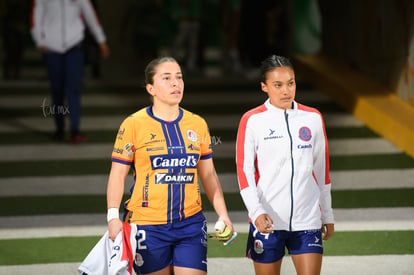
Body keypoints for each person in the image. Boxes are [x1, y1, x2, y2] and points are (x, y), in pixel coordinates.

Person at [106, 56, 234, 275]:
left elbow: (209, 174)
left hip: (191, 224)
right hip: (148, 226)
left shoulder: (198, 124)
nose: (176, 83)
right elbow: (117, 175)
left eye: (179, 77)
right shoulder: (133, 124)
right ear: (151, 88)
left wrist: (223, 214)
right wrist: (112, 217)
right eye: (166, 78)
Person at [236, 54, 334, 275]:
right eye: (277, 85)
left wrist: (327, 215)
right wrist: (256, 211)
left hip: (307, 219)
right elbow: (245, 172)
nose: (286, 91)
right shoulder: (252, 120)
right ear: (264, 86)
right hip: (267, 220)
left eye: (291, 83)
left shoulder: (313, 117)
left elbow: (322, 171)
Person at [30, 0, 109, 144]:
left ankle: (74, 130)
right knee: (57, 90)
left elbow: (90, 16)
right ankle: (59, 128)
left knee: (73, 89)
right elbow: (36, 16)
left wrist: (101, 40)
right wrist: (39, 41)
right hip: (52, 48)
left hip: (75, 46)